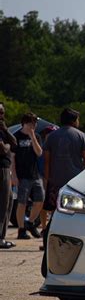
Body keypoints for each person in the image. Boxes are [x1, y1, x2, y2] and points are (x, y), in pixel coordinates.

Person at [43, 108, 85, 214]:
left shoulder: (51, 137)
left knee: (55, 211)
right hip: (75, 181)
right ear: (73, 121)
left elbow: (47, 161)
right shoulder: (81, 136)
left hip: (55, 181)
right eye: (78, 119)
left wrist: (46, 180)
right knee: (74, 210)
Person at [11, 112, 44, 239]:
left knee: (39, 200)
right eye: (32, 122)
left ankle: (30, 223)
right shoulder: (16, 137)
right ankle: (21, 229)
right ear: (25, 123)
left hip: (35, 174)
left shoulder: (36, 136)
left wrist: (32, 136)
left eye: (35, 122)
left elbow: (39, 152)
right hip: (21, 175)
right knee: (22, 203)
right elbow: (12, 158)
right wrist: (14, 175)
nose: (34, 125)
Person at [0, 102, 17, 249]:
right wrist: (7, 146)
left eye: (3, 113)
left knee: (8, 201)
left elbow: (13, 142)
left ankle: (2, 236)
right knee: (3, 203)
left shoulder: (2, 129)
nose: (2, 116)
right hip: (1, 169)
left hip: (5, 168)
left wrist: (5, 130)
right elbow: (4, 149)